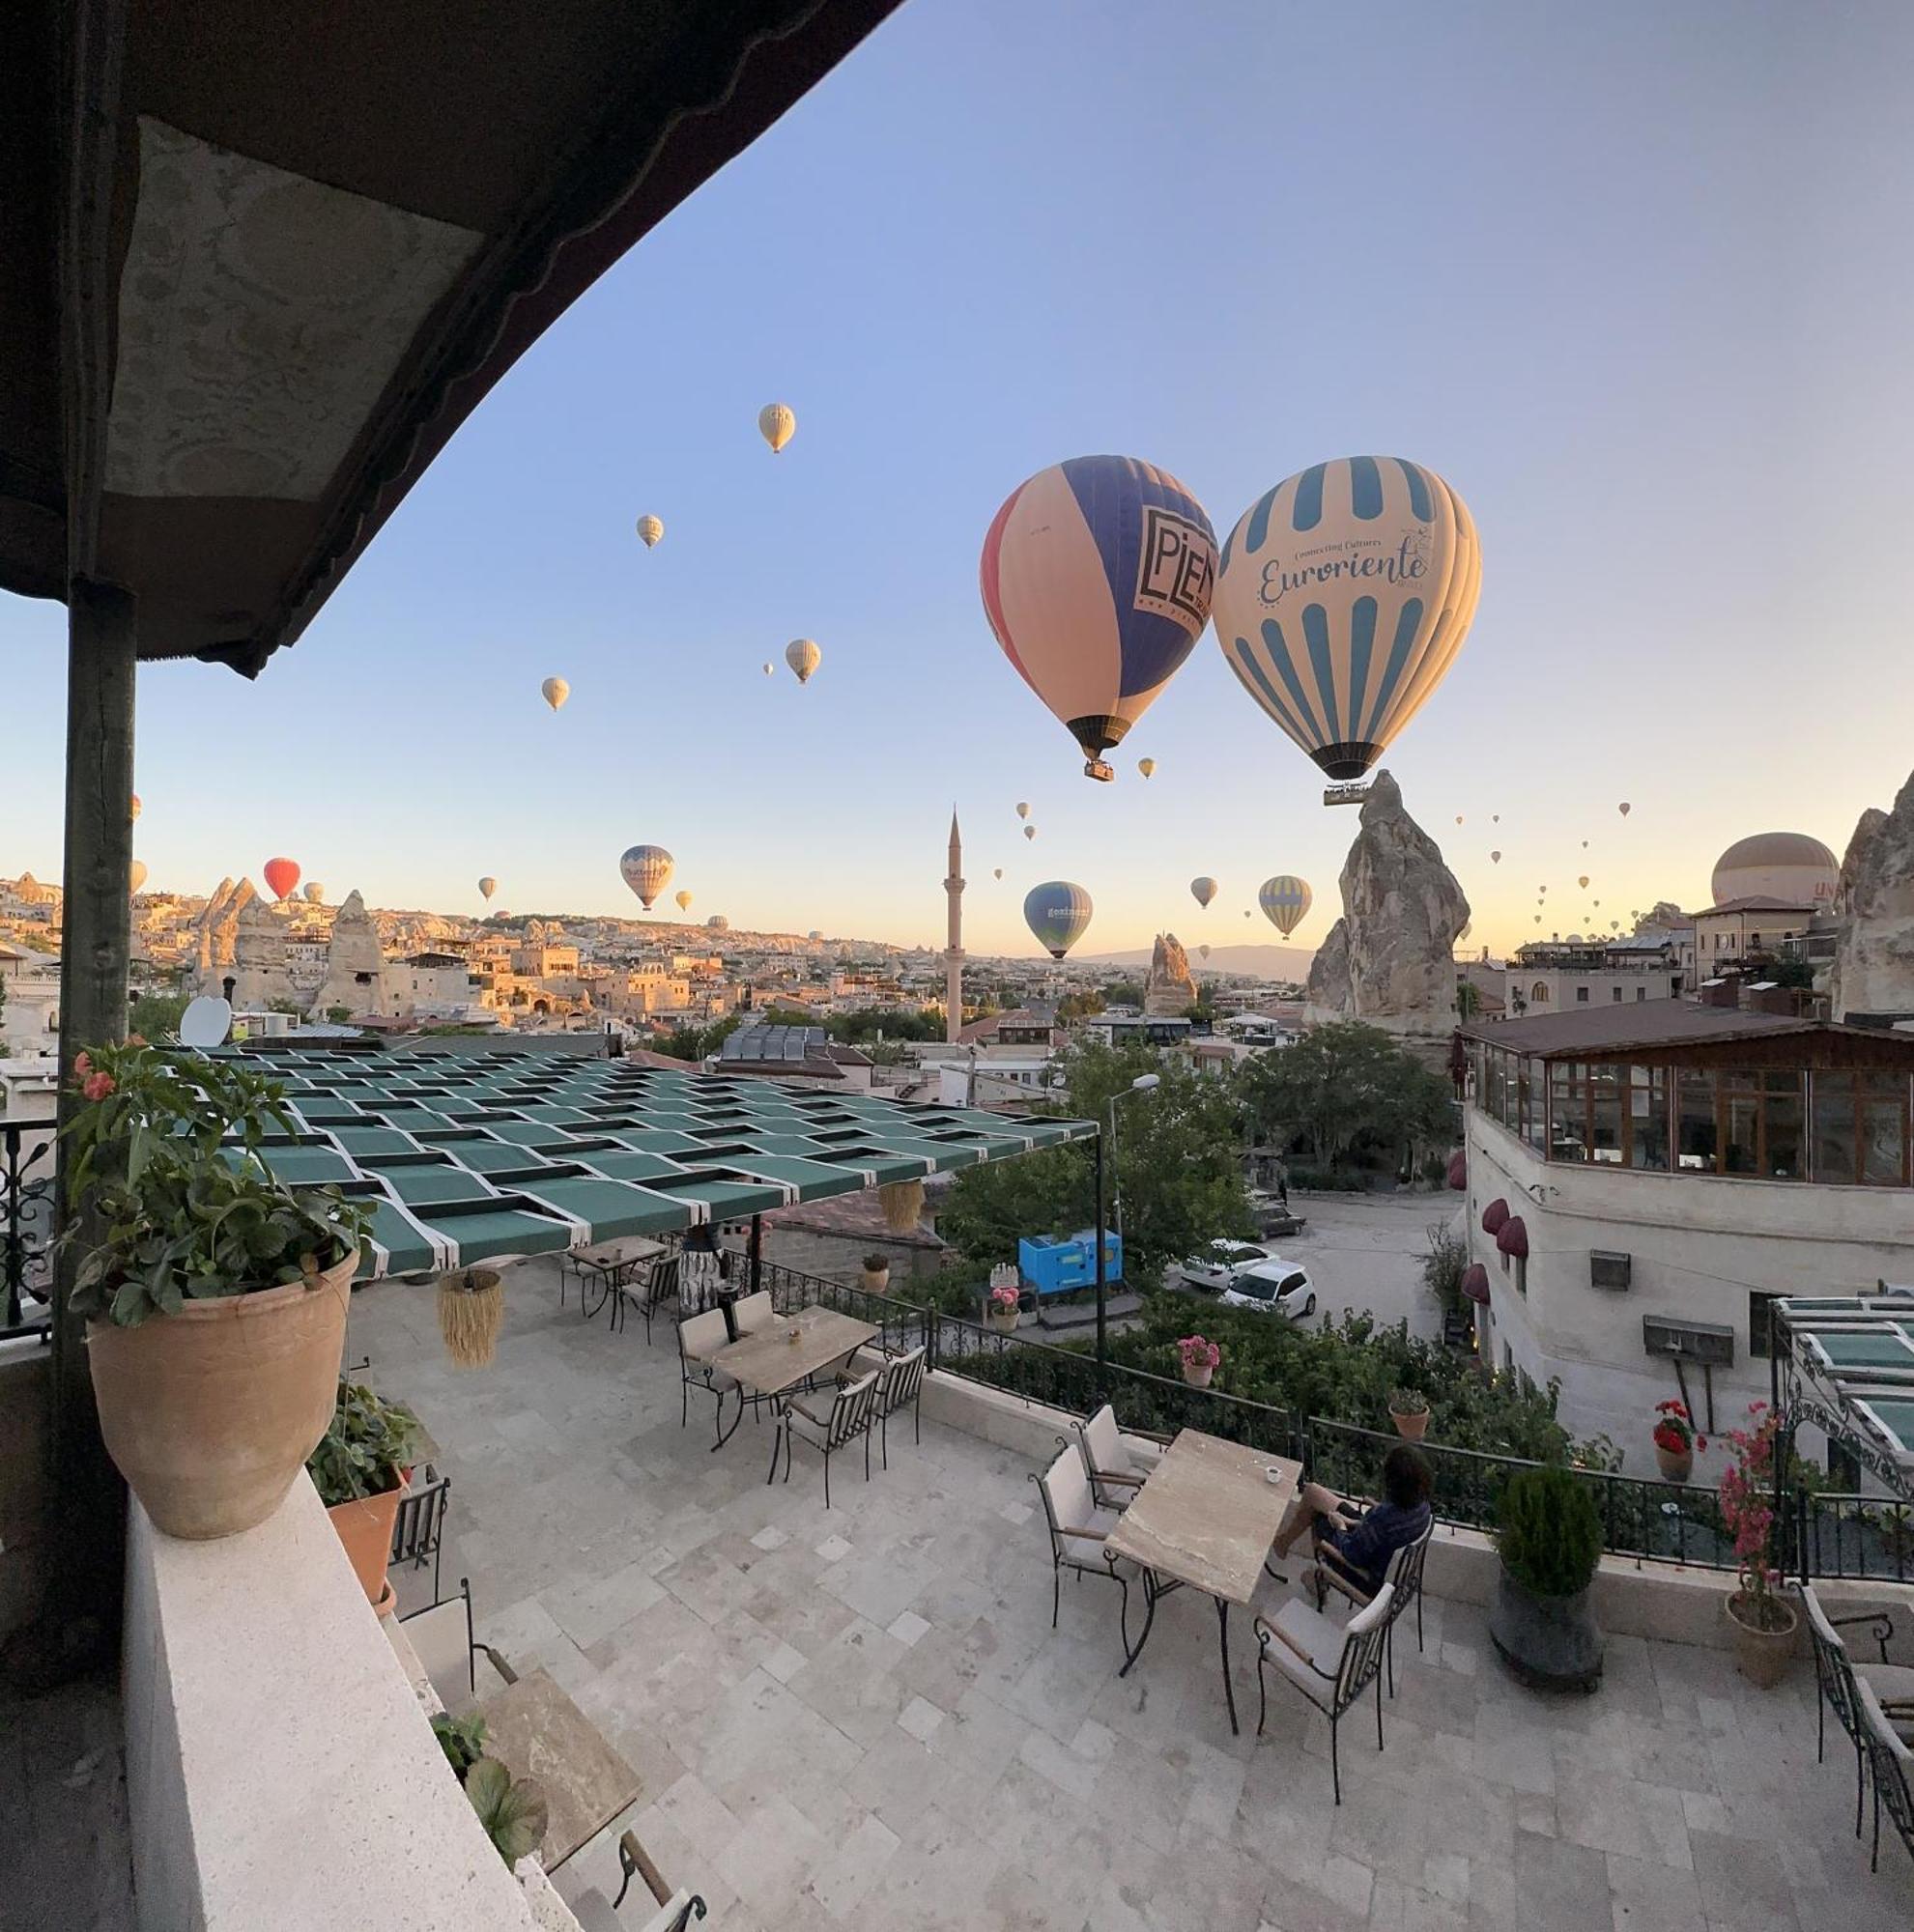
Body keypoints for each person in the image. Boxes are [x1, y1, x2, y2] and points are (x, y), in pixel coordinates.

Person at [1270, 1444, 1433, 1600]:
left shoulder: (1382, 1518)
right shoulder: (1423, 1506)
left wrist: (1340, 1526)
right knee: (1312, 1492)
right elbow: (1378, 1530)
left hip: (1366, 1577)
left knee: (1318, 1516)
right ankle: (1284, 1544)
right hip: (1373, 1543)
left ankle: (1319, 1578)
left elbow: (1351, 1554)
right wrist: (1353, 1522)